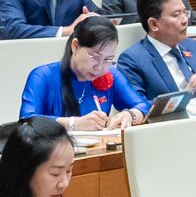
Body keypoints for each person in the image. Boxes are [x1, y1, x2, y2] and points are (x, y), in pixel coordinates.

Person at [17, 14, 148, 129]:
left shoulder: (111, 75)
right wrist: (73, 124)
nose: (100, 67)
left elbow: (145, 106)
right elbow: (27, 121)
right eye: (95, 57)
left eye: (108, 59)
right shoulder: (43, 76)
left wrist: (130, 115)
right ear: (75, 46)